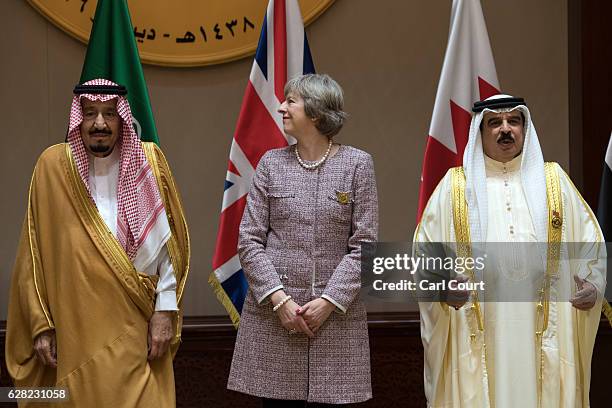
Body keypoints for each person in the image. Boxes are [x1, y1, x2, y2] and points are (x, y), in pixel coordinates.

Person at [5, 79, 190, 407]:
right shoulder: (52, 167)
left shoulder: (147, 160)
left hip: (137, 326)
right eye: (90, 113)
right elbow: (32, 253)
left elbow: (167, 247)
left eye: (109, 113)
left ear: (122, 118)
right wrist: (40, 324)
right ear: (79, 118)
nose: (99, 123)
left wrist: (165, 311)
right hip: (75, 328)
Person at [414, 94, 606, 407]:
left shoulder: (554, 181)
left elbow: (590, 245)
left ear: (524, 128)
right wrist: (439, 290)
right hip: (477, 327)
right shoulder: (455, 187)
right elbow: (425, 255)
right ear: (480, 130)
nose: (506, 129)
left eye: (513, 121)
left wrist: (593, 285)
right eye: (495, 122)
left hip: (544, 328)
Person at [227, 74, 378, 407]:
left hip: (337, 322)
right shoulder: (271, 163)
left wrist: (328, 302)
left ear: (316, 112)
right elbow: (249, 241)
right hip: (276, 322)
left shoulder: (357, 164)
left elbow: (364, 246)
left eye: (291, 100)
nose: (281, 107)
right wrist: (280, 301)